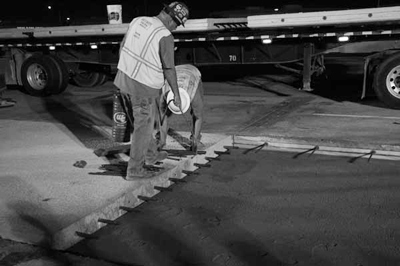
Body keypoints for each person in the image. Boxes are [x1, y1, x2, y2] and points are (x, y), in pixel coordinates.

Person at [114, 2, 189, 181]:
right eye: (177, 25)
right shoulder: (165, 36)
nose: (176, 28)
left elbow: (122, 46)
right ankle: (135, 170)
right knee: (143, 128)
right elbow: (169, 69)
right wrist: (177, 95)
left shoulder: (138, 21)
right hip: (143, 89)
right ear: (173, 21)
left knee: (142, 126)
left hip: (122, 82)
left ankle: (151, 155)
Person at [157, 64, 204, 153]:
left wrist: (195, 140)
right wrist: (162, 142)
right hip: (176, 71)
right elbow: (162, 117)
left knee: (197, 112)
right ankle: (162, 139)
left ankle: (196, 137)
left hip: (192, 72)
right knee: (163, 112)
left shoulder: (194, 93)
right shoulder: (164, 93)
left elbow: (199, 117)